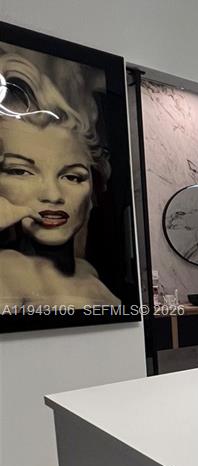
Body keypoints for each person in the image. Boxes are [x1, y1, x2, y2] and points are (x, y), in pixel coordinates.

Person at [0, 53, 122, 311]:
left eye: (72, 176)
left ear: (93, 189)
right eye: (21, 171)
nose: (53, 195)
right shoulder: (8, 273)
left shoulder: (89, 274)